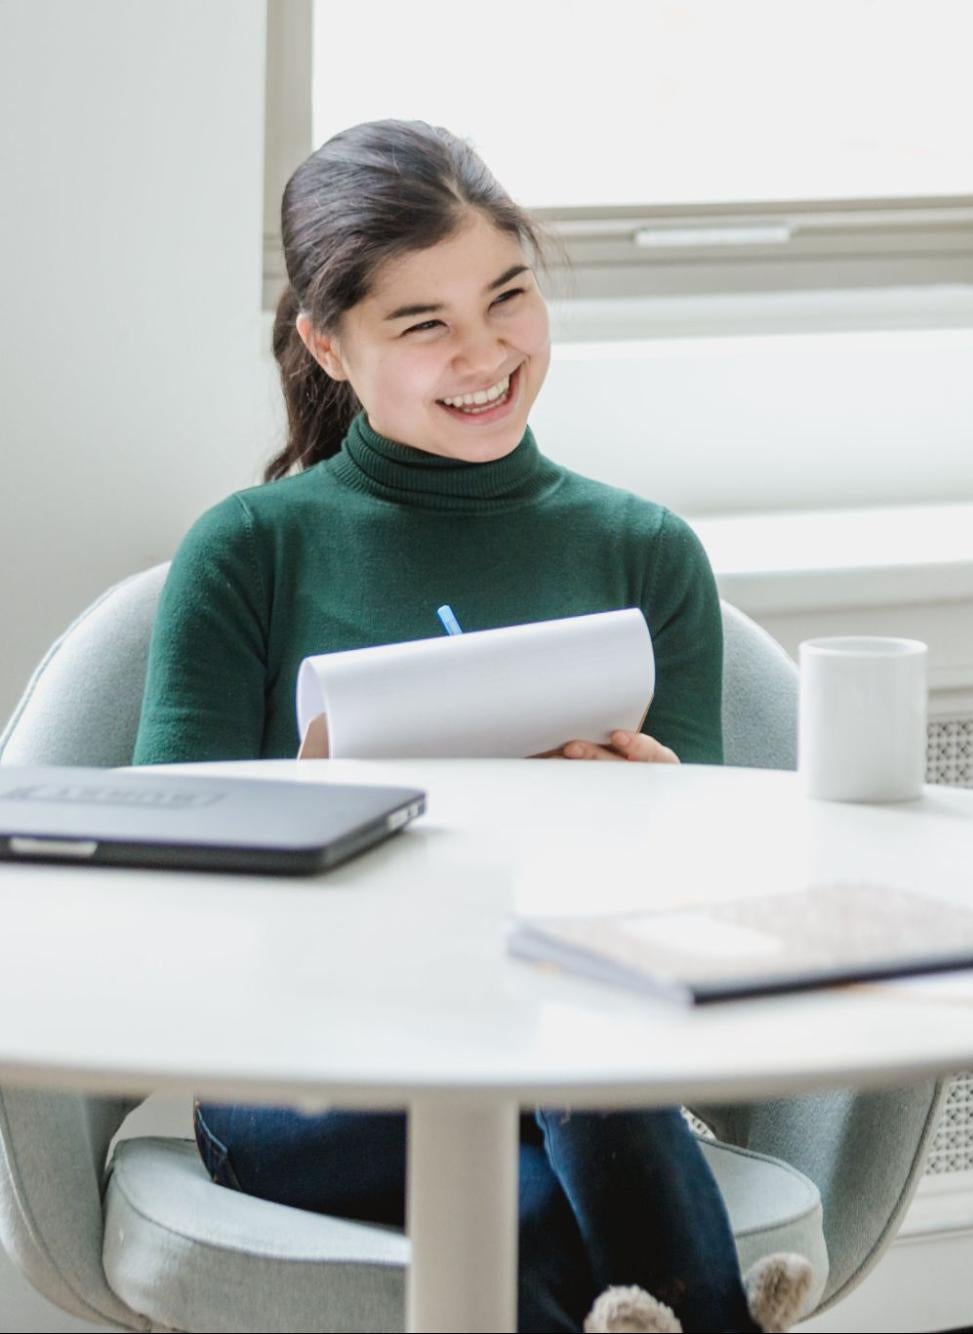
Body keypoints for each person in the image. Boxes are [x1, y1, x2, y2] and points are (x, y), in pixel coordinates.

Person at [132, 119, 808, 1334]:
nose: (487, 352)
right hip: (306, 1067)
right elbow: (152, 894)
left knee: (560, 1121)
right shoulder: (250, 549)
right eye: (423, 322)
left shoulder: (644, 552)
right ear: (327, 346)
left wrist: (659, 815)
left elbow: (706, 921)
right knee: (540, 1165)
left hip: (571, 1045)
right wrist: (303, 801)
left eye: (508, 298)